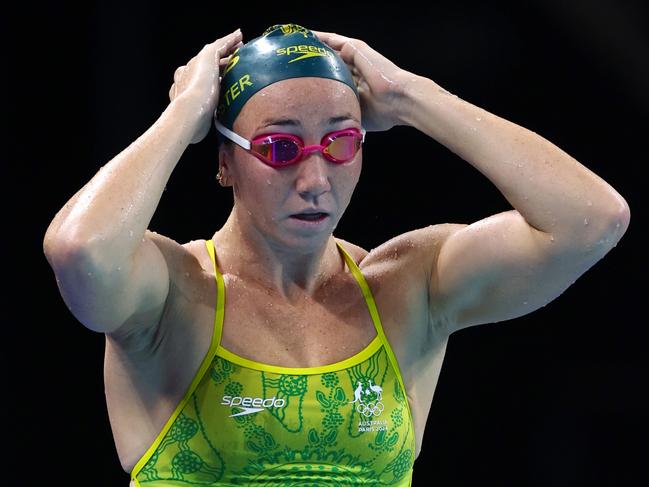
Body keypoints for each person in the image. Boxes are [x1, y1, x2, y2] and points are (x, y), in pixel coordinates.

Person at [43, 23, 630, 486]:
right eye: (280, 147)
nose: (316, 177)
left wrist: (410, 95)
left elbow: (590, 220)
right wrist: (182, 115)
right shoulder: (172, 293)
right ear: (224, 161)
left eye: (341, 141)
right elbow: (78, 250)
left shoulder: (405, 288)